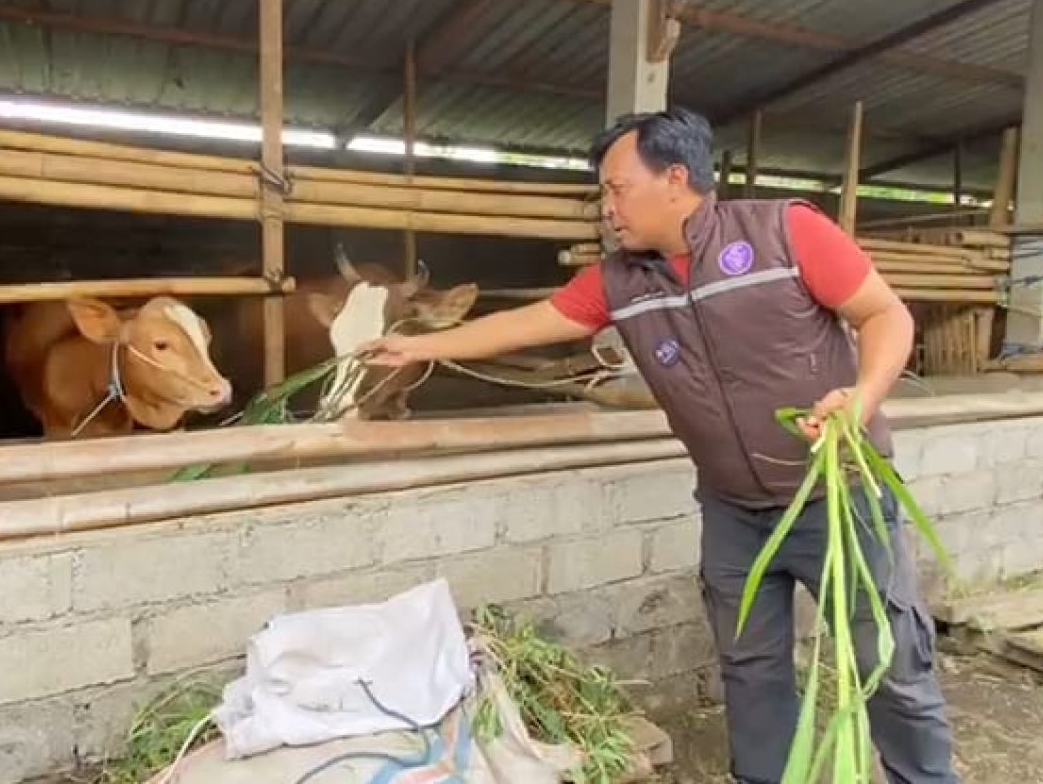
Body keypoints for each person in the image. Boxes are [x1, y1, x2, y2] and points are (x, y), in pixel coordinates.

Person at [365, 108, 959, 784]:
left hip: (839, 495)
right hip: (734, 512)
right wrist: (419, 346)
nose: (607, 206)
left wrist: (862, 396)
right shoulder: (620, 281)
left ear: (675, 178)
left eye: (617, 188)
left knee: (888, 659)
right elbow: (530, 322)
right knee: (750, 669)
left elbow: (884, 313)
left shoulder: (786, 232)